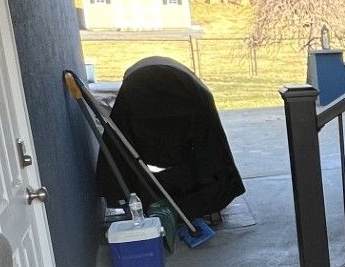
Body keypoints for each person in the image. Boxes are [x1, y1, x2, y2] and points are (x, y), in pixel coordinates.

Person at [96, 57, 244, 222]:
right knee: (207, 151)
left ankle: (186, 196)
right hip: (157, 95)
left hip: (175, 94)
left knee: (207, 150)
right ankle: (192, 195)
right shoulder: (142, 93)